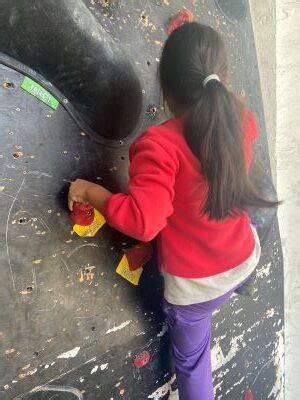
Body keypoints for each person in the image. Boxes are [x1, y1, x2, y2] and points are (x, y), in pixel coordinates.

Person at [68, 22, 279, 400]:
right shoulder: (240, 117)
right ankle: (239, 287)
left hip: (199, 289)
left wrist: (90, 190)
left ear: (165, 90)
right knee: (231, 269)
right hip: (245, 255)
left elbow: (143, 222)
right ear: (220, 79)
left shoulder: (159, 145)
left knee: (193, 361)